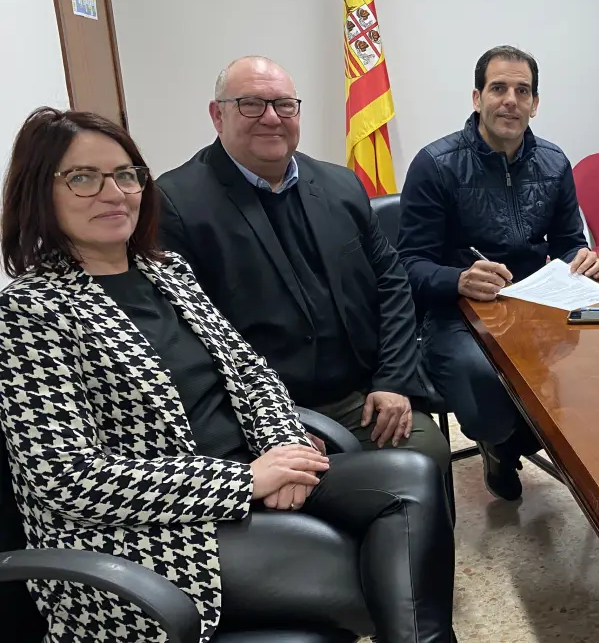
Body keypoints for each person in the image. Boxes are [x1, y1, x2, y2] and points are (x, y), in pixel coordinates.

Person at [0, 108, 454, 642]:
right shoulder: (30, 311)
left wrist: (284, 448)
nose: (114, 193)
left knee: (412, 477)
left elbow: (251, 372)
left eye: (125, 175)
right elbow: (66, 479)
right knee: (367, 577)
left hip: (252, 468)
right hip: (150, 532)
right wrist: (244, 482)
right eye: (83, 178)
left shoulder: (165, 271)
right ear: (41, 193)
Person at [155, 56, 451, 478]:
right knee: (310, 491)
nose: (271, 118)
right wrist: (272, 425)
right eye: (251, 104)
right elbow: (180, 340)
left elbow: (392, 282)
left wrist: (392, 380)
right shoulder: (176, 204)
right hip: (259, 412)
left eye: (284, 105)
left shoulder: (340, 184)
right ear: (217, 116)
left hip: (359, 395)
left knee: (425, 454)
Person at [398, 45, 599, 500]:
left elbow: (569, 241)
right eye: (498, 89)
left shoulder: (554, 161)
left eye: (522, 91)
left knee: (594, 366)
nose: (511, 100)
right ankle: (501, 444)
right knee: (485, 380)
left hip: (536, 304)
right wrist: (458, 279)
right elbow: (408, 265)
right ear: (477, 99)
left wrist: (583, 257)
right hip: (458, 314)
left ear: (535, 103)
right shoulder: (435, 165)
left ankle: (533, 445)